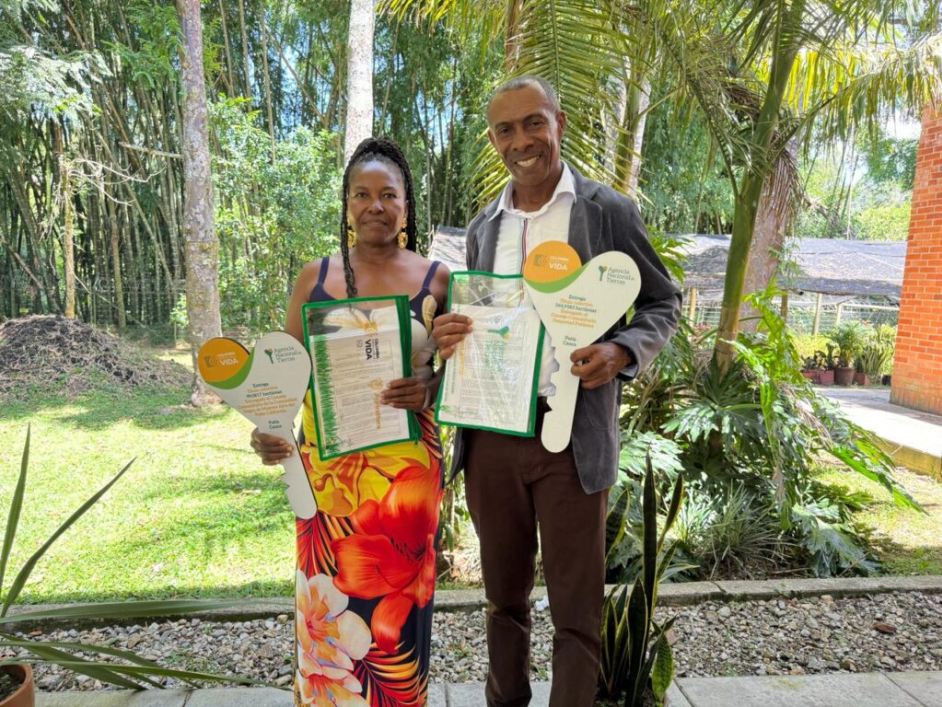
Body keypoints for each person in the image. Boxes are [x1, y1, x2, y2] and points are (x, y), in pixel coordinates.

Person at [432, 76, 682, 707]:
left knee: (577, 612)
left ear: (559, 124)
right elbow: (480, 318)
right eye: (506, 130)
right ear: (494, 139)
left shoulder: (607, 211)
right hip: (492, 436)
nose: (522, 141)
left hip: (574, 440)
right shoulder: (483, 225)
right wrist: (452, 334)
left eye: (533, 123)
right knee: (502, 603)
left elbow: (662, 302)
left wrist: (623, 350)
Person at [251, 137, 450, 707]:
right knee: (326, 605)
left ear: (407, 206)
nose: (375, 206)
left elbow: (461, 376)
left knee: (399, 607)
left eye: (389, 194)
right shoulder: (313, 277)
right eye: (362, 194)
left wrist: (430, 385)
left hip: (404, 480)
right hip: (329, 476)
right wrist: (268, 426)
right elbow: (282, 375)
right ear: (346, 204)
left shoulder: (438, 279)